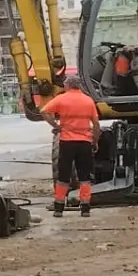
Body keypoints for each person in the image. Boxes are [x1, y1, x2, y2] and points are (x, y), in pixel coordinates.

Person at [42, 74, 101, 216]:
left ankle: (58, 208)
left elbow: (44, 111)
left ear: (67, 86)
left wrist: (55, 125)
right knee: (85, 176)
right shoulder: (88, 101)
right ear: (79, 85)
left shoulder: (62, 99)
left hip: (67, 142)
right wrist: (95, 141)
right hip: (84, 143)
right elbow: (96, 124)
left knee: (63, 176)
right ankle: (85, 208)